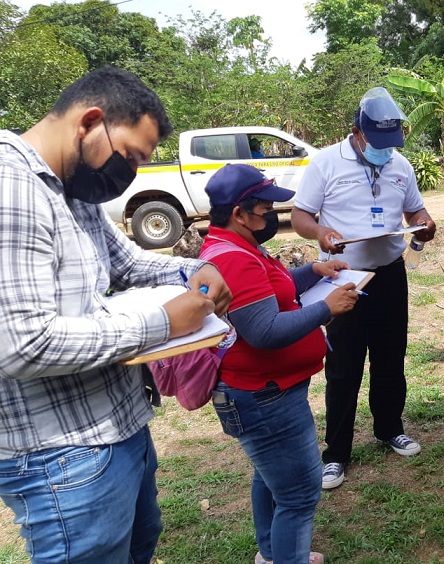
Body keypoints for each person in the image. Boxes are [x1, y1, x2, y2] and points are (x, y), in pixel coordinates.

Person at [0, 66, 232, 563]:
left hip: (116, 425)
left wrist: (198, 268)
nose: (127, 174)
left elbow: (126, 262)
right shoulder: (12, 188)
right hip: (62, 455)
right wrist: (167, 323)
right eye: (129, 156)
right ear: (89, 121)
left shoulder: (70, 187)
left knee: (137, 547)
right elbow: (21, 342)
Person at [201, 163, 359, 564]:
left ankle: (272, 553)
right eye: (265, 208)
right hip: (264, 396)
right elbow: (265, 331)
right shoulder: (235, 258)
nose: (272, 215)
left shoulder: (239, 245)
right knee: (300, 492)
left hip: (268, 390)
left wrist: (312, 271)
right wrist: (327, 308)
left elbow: (271, 289)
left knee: (273, 477)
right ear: (240, 213)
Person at [291, 86, 436, 490]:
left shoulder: (400, 165)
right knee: (344, 367)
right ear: (356, 132)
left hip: (390, 272)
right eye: (378, 142)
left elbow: (415, 209)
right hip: (345, 277)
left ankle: (390, 428)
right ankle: (336, 453)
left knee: (391, 357)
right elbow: (301, 215)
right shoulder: (325, 163)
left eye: (392, 144)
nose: (386, 151)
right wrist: (321, 232)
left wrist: (424, 222)